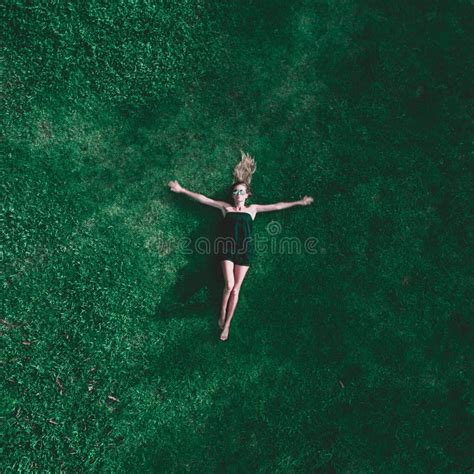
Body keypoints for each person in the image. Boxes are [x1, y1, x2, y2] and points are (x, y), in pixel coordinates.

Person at [168, 151, 314, 341]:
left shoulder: (252, 210)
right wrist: (182, 190)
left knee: (236, 289)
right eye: (235, 192)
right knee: (229, 285)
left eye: (241, 192)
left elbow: (277, 206)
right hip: (227, 249)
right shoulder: (225, 208)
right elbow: (205, 199)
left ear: (247, 195)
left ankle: (227, 324)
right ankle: (221, 311)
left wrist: (299, 202)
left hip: (245, 251)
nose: (238, 194)